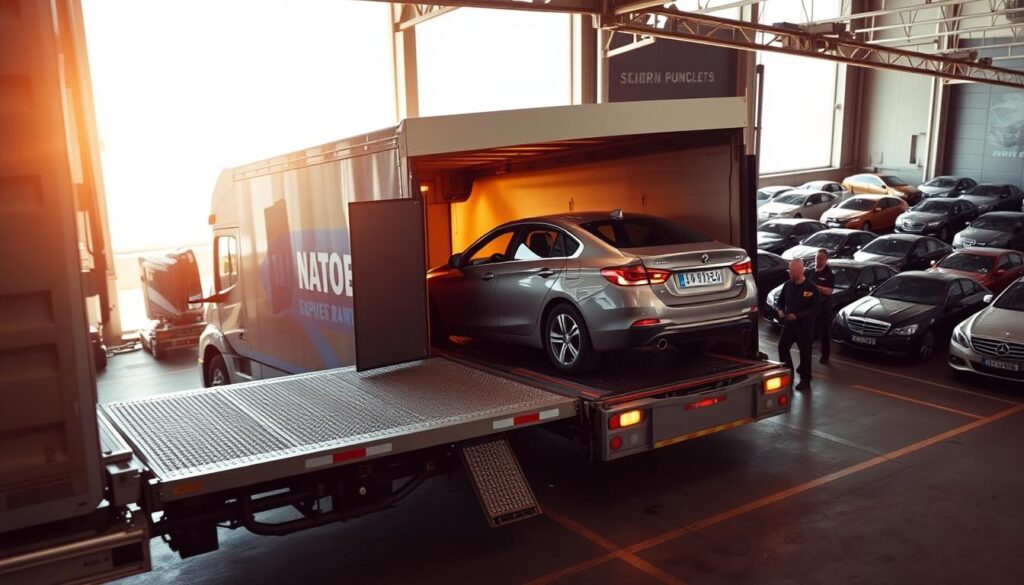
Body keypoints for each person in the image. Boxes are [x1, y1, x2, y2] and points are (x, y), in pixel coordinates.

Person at [777, 258, 820, 391]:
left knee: (805, 353)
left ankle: (805, 380)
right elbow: (780, 301)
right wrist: (780, 310)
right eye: (789, 271)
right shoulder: (788, 285)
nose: (790, 274)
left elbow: (816, 308)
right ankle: (788, 375)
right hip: (789, 326)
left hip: (804, 327)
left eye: (792, 271)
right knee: (782, 348)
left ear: (800, 271)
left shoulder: (811, 288)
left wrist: (798, 316)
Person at [808, 248, 835, 365]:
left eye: (821, 258)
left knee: (824, 331)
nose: (818, 260)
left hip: (823, 308)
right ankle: (806, 354)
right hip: (810, 307)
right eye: (816, 258)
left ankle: (825, 354)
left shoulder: (829, 274)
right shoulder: (810, 272)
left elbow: (829, 291)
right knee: (809, 331)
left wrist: (816, 287)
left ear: (826, 260)